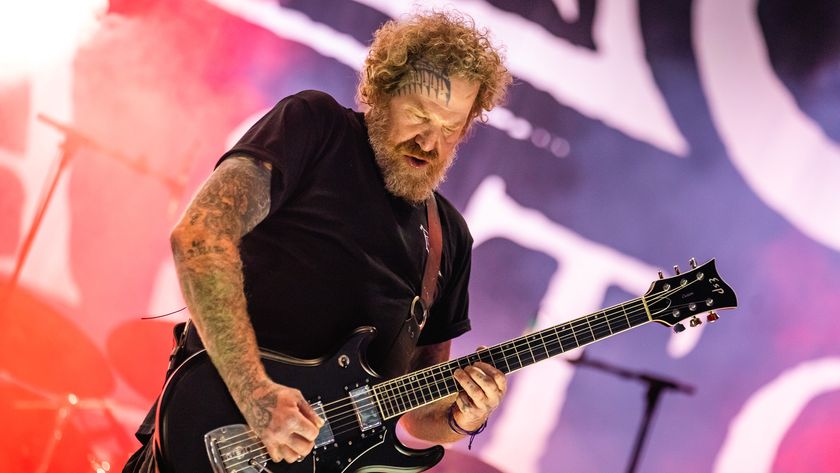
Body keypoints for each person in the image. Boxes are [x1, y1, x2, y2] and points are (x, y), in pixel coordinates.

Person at [124, 9, 513, 471]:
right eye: (418, 115)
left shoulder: (450, 238)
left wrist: (461, 415)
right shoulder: (315, 126)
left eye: (449, 128)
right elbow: (200, 236)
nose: (429, 143)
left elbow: (417, 406)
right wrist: (257, 395)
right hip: (217, 440)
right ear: (378, 93)